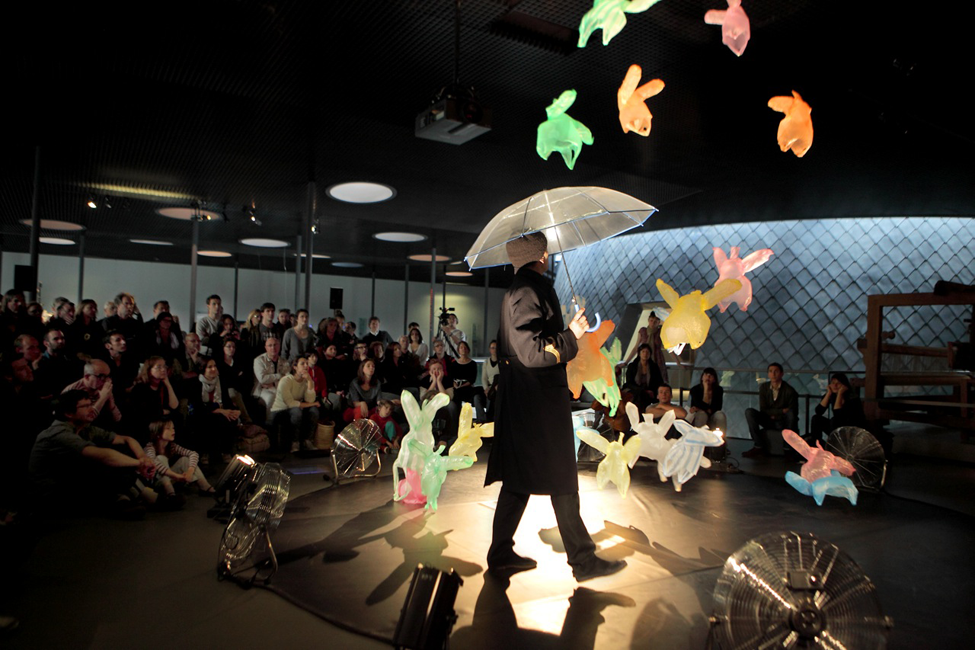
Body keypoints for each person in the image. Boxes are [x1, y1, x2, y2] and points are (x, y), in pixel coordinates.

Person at [485, 232, 626, 582]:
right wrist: (572, 335)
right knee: (561, 476)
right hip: (536, 406)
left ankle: (501, 553)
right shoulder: (527, 292)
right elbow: (533, 352)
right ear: (543, 256)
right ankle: (582, 559)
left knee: (520, 479)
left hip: (529, 402)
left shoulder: (522, 289)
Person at [29, 390, 156, 518]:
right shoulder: (58, 433)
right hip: (53, 492)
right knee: (102, 462)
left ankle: (129, 500)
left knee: (121, 450)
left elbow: (126, 439)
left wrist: (142, 457)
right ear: (68, 413)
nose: (92, 409)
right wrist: (139, 463)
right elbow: (104, 457)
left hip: (69, 481)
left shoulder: (84, 428)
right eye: (85, 406)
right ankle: (139, 500)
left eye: (91, 404)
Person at [144, 419, 214, 507]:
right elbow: (155, 465)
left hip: (169, 479)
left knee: (185, 459)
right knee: (160, 458)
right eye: (168, 428)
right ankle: (171, 495)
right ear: (157, 434)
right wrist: (176, 476)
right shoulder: (150, 448)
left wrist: (190, 471)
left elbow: (193, 454)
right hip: (154, 483)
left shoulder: (172, 446)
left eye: (173, 428)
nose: (173, 430)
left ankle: (205, 487)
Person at [743, 362, 800, 458]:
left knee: (790, 414)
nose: (773, 374)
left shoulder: (789, 390)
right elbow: (763, 409)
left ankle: (787, 448)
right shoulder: (764, 388)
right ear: (768, 374)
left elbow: (793, 412)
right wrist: (781, 411)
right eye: (770, 371)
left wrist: (775, 414)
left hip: (783, 422)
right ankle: (758, 445)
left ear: (781, 374)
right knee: (749, 412)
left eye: (776, 371)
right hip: (768, 419)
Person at [270, 355, 320, 453]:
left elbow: (310, 400)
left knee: (314, 410)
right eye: (302, 364)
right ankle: (295, 442)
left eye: (307, 363)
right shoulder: (286, 380)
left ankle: (308, 440)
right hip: (280, 409)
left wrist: (310, 381)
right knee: (296, 411)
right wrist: (313, 404)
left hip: (295, 407)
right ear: (295, 367)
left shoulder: (307, 381)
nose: (306, 366)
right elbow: (290, 403)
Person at [810, 372, 865, 443]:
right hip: (836, 426)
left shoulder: (852, 397)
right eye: (833, 383)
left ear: (844, 385)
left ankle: (835, 445)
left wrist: (840, 394)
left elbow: (838, 415)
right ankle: (816, 444)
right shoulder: (832, 395)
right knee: (816, 419)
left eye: (838, 383)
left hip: (850, 428)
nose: (835, 385)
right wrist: (828, 393)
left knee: (835, 420)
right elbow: (819, 411)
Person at [252, 337, 289, 420]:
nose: (273, 348)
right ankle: (269, 425)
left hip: (279, 389)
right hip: (262, 390)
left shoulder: (284, 361)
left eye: (275, 345)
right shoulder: (259, 360)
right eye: (270, 345)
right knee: (271, 398)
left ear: (279, 346)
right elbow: (262, 379)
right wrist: (279, 376)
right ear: (266, 347)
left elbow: (287, 379)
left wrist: (273, 383)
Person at [622, 343, 664, 413]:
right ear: (639, 353)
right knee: (641, 395)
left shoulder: (654, 366)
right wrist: (642, 390)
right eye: (643, 352)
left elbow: (659, 381)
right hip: (634, 389)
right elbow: (629, 382)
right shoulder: (632, 366)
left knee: (648, 396)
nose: (645, 354)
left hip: (650, 390)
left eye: (647, 352)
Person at [686, 367, 727, 433]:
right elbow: (698, 404)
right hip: (699, 414)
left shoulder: (718, 390)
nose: (708, 377)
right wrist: (705, 389)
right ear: (702, 377)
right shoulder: (695, 390)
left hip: (713, 414)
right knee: (702, 414)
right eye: (705, 375)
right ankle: (699, 438)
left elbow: (717, 407)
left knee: (720, 415)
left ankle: (721, 439)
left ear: (714, 379)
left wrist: (700, 408)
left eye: (710, 375)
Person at [344, 358, 381, 422]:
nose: (371, 368)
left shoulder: (377, 383)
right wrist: (362, 403)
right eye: (368, 366)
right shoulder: (355, 382)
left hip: (370, 409)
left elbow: (379, 401)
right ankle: (359, 430)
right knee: (360, 410)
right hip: (353, 409)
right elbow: (355, 402)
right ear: (362, 368)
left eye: (373, 366)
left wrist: (389, 403)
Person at [480, 339, 500, 422]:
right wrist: (486, 388)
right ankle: (482, 420)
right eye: (492, 348)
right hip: (489, 386)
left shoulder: (502, 361)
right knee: (478, 397)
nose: (494, 350)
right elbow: (484, 377)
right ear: (489, 349)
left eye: (496, 348)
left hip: (497, 386)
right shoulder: (486, 362)